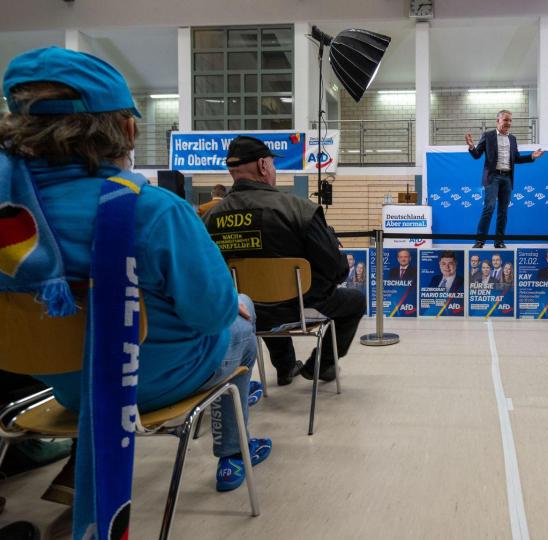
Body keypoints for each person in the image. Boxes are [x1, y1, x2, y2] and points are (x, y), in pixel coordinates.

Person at [0, 47, 269, 498]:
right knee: (242, 317)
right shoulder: (154, 211)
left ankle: (82, 459)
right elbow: (212, 315)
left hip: (61, 386)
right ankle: (233, 454)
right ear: (125, 129)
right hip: (152, 383)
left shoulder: (13, 219)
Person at [204, 135, 365, 385]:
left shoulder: (210, 217)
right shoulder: (299, 209)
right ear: (263, 166)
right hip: (299, 307)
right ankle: (321, 366)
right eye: (272, 163)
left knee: (261, 297)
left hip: (244, 309)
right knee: (355, 300)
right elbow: (336, 268)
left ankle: (286, 366)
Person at [465, 110, 544, 248]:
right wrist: (472, 147)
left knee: (503, 211)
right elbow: (477, 155)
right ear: (498, 121)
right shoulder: (488, 135)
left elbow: (517, 158)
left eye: (510, 120)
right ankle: (480, 241)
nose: (508, 123)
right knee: (489, 207)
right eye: (505, 120)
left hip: (507, 178)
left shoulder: (512, 139)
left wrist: (531, 156)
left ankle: (499, 241)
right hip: (493, 177)